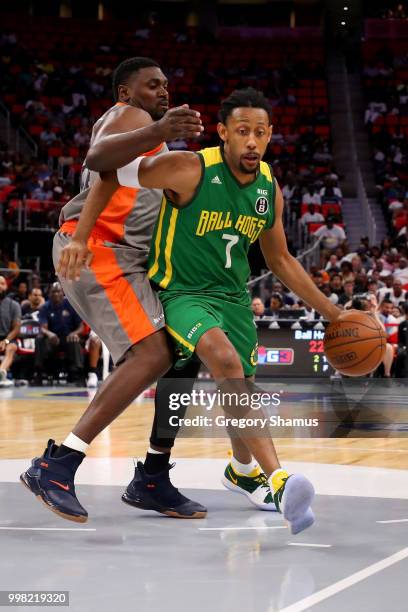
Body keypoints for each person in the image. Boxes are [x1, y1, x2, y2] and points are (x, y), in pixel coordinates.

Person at [103, 87, 343, 533]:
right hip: (181, 292)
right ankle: (280, 479)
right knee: (225, 362)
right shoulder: (190, 167)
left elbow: (281, 260)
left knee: (243, 390)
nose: (251, 141)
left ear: (270, 136)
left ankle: (241, 470)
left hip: (232, 298)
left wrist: (334, 312)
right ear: (223, 134)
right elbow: (110, 171)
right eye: (242, 132)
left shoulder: (268, 186)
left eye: (260, 133)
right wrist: (81, 235)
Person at [21, 57, 207, 523]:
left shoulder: (154, 142)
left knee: (187, 347)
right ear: (126, 93)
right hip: (99, 250)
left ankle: (153, 475)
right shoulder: (133, 119)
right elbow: (99, 161)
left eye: (166, 84)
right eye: (151, 85)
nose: (162, 91)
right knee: (152, 355)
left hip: (130, 260)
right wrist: (82, 238)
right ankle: (58, 463)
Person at [33, 282, 84, 384]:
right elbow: (43, 328)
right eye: (53, 292)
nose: (56, 294)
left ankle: (77, 373)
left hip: (68, 338)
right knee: (39, 339)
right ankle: (39, 371)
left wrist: (75, 333)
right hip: (53, 339)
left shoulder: (71, 305)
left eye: (58, 291)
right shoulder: (45, 307)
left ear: (63, 293)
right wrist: (49, 333)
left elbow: (81, 327)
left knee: (74, 340)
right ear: (49, 294)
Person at [0, 275, 20, 387]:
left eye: (2, 284)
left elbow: (17, 328)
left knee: (11, 348)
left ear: (6, 286)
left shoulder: (14, 305)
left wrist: (6, 340)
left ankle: (1, 372)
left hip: (8, 338)